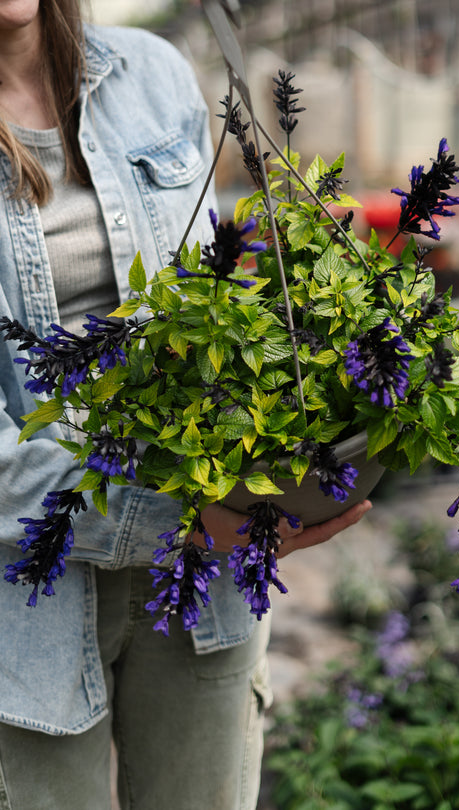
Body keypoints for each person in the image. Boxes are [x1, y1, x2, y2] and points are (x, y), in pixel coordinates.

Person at [0, 2, 372, 808]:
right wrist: (177, 514)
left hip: (204, 577)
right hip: (24, 597)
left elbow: (211, 308)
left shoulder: (151, 74)